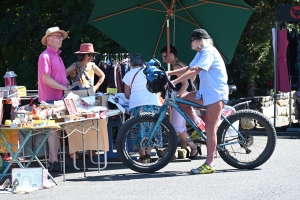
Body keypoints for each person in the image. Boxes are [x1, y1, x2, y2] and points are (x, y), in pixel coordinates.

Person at [167, 29, 229, 174]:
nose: (190, 43)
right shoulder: (200, 53)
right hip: (204, 93)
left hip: (215, 95)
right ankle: (198, 126)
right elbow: (188, 68)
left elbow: (196, 71)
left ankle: (209, 163)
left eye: (192, 40)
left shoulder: (208, 51)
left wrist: (174, 81)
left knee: (211, 129)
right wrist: (168, 73)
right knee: (180, 101)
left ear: (199, 40)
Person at [160, 45, 201, 159]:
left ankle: (193, 147)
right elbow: (191, 79)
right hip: (186, 97)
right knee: (181, 126)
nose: (164, 60)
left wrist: (178, 97)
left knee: (177, 127)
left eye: (165, 57)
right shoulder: (181, 64)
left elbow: (185, 84)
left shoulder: (175, 67)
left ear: (171, 55)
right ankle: (187, 148)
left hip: (181, 99)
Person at [66, 43, 105, 159]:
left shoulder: (92, 66)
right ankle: (73, 151)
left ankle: (91, 149)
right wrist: (68, 86)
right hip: (76, 98)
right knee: (75, 124)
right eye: (90, 55)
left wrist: (96, 87)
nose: (92, 57)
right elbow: (62, 75)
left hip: (89, 97)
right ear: (82, 55)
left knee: (91, 123)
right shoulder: (75, 66)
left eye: (93, 55)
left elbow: (102, 75)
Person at [38, 26, 69, 172]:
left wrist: (69, 86)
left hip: (58, 100)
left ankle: (53, 160)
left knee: (56, 130)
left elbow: (61, 79)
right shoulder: (45, 56)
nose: (60, 38)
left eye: (61, 36)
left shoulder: (57, 56)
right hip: (49, 101)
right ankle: (53, 161)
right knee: (53, 131)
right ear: (48, 40)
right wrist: (65, 88)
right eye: (57, 36)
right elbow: (46, 79)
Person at [122, 54, 161, 163]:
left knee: (139, 129)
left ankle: (142, 156)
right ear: (143, 63)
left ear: (131, 63)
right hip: (153, 102)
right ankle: (148, 154)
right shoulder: (150, 72)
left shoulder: (129, 74)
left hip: (136, 104)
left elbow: (127, 95)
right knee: (152, 128)